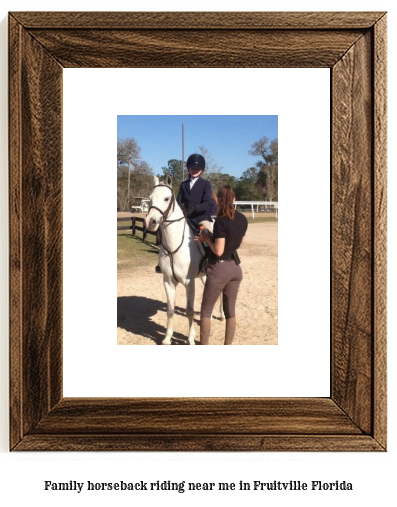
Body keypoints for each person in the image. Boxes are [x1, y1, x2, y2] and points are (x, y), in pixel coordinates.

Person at [195, 185, 248, 345]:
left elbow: (218, 250)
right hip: (235, 268)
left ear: (218, 200)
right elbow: (238, 242)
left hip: (220, 268)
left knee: (205, 312)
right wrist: (214, 237)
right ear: (234, 200)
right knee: (230, 312)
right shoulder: (243, 219)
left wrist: (207, 239)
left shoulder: (220, 221)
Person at [155, 153, 216, 273]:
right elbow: (177, 201)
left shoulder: (205, 184)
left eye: (197, 169)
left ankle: (210, 260)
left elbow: (208, 203)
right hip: (185, 217)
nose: (194, 170)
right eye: (192, 168)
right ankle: (162, 262)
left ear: (201, 170)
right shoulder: (183, 185)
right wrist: (180, 211)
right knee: (165, 231)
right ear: (188, 168)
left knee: (207, 233)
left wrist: (195, 208)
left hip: (201, 218)